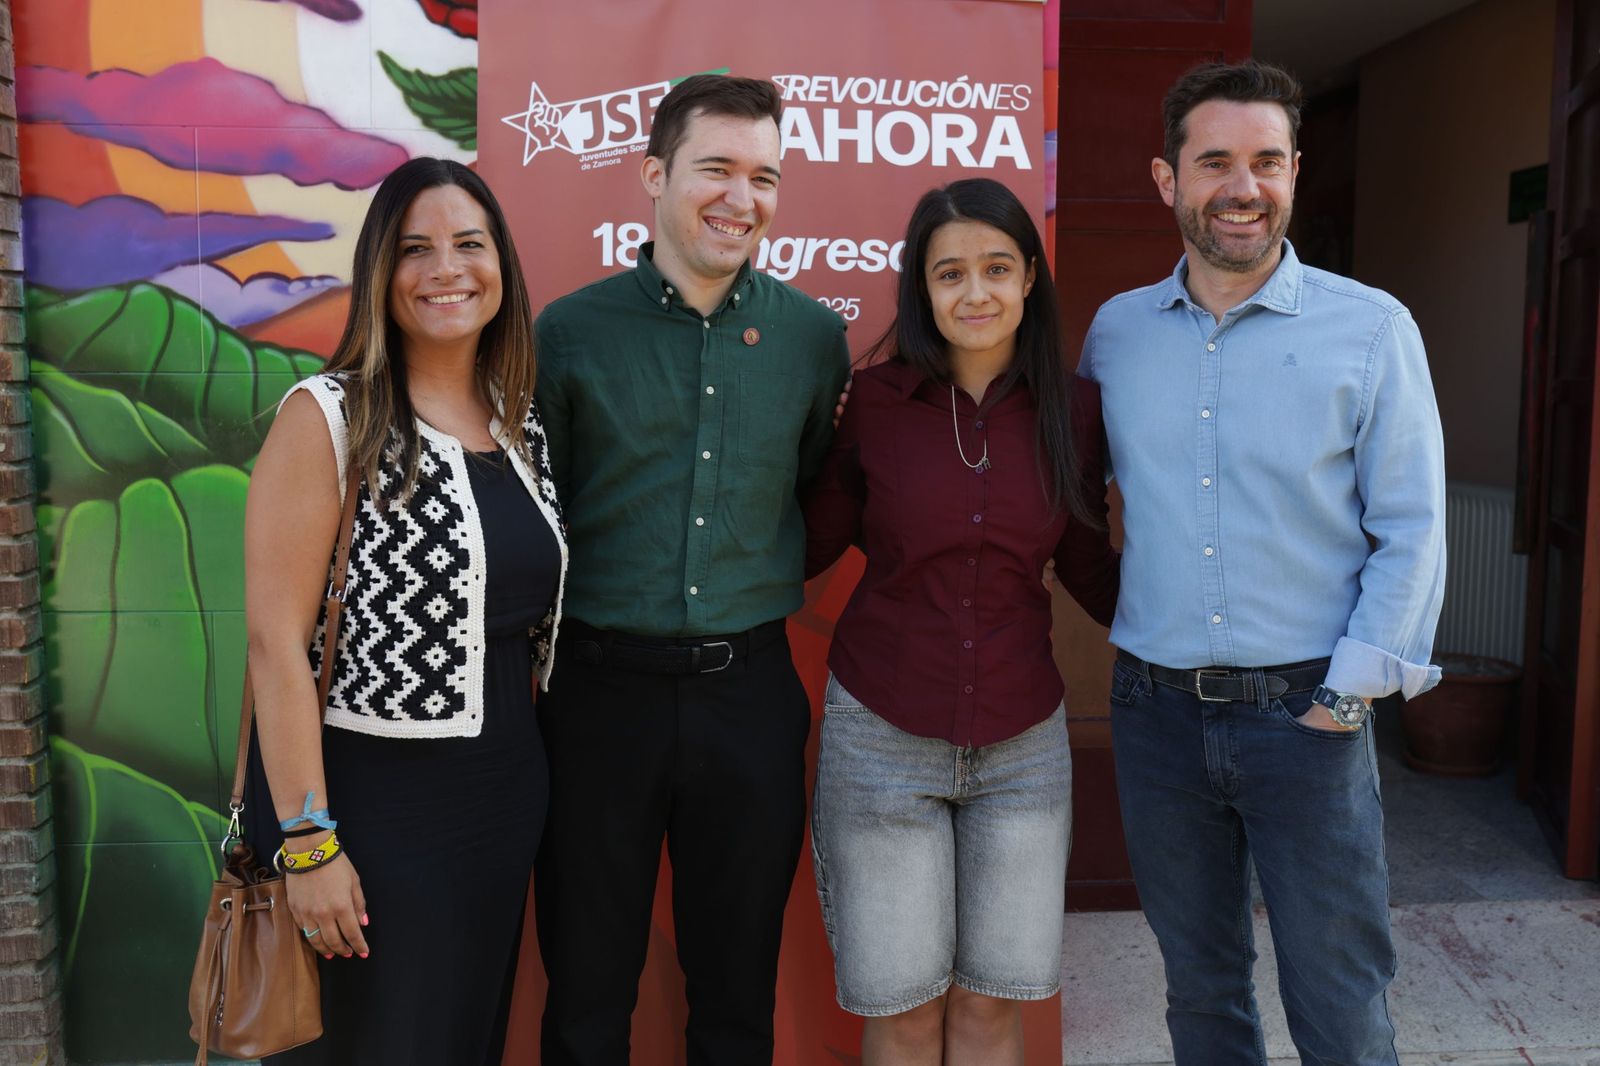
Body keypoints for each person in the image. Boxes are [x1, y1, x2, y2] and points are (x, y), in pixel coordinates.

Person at [1081, 60, 1446, 1064]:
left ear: (1292, 170)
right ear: (1168, 179)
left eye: (1267, 161)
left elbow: (1412, 524)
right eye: (1215, 162)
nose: (1243, 187)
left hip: (1308, 716)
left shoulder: (1370, 328)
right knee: (1199, 992)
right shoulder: (1116, 333)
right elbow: (1061, 489)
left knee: (1340, 1001)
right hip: (1156, 716)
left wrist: (1348, 696)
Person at [531, 74, 852, 1065]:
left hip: (748, 696)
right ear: (652, 174)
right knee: (586, 996)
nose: (741, 197)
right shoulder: (567, 334)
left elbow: (810, 491)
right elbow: (540, 512)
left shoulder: (812, 340)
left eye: (765, 176)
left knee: (736, 996)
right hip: (596, 700)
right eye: (717, 168)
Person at [242, 157, 566, 1065]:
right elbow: (275, 645)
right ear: (380, 272)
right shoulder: (330, 416)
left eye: (469, 244)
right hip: (370, 812)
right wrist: (308, 844)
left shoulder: (518, 422)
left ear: (501, 263)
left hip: (499, 805)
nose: (446, 269)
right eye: (416, 249)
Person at [801, 177, 1118, 1066]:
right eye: (950, 274)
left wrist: (1209, 636)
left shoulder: (1075, 410)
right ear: (922, 288)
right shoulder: (872, 405)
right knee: (902, 1011)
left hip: (1023, 746)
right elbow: (806, 546)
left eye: (996, 268)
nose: (975, 292)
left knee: (989, 1006)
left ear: (1029, 279)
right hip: (883, 738)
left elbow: (1089, 566)